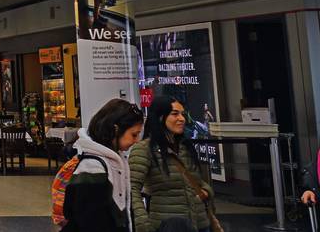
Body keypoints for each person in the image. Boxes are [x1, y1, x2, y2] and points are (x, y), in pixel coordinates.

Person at [129, 96, 215, 232]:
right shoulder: (144, 149)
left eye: (182, 114)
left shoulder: (185, 147)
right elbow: (133, 189)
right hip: (168, 225)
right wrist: (143, 224)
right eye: (175, 114)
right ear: (160, 117)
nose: (182, 119)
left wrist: (206, 191)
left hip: (200, 223)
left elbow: (198, 180)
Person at [60, 99, 144, 232]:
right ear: (116, 129)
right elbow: (89, 220)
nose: (137, 140)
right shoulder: (92, 167)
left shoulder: (116, 160)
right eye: (134, 134)